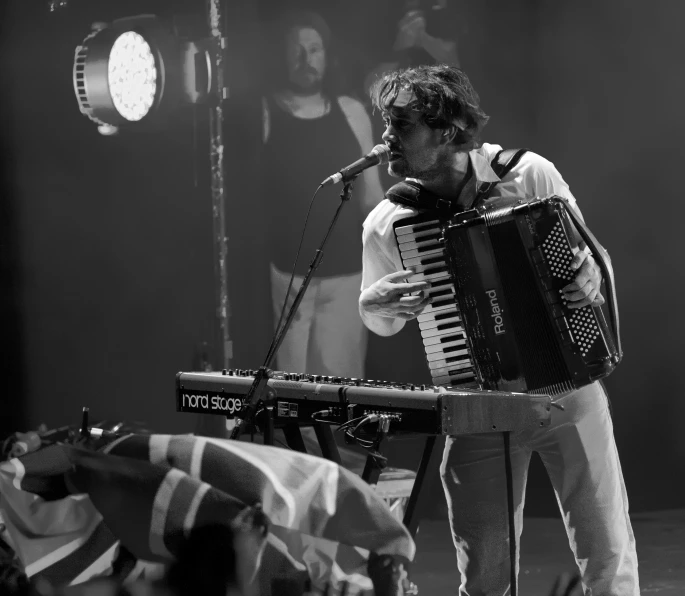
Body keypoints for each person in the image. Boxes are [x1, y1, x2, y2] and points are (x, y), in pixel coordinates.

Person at [358, 64, 639, 595]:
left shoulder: (529, 174)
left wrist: (587, 274)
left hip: (568, 389)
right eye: (386, 124)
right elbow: (382, 322)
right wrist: (372, 304)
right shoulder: (388, 222)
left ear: (445, 130)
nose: (386, 138)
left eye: (402, 125)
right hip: (475, 402)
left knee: (609, 560)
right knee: (485, 576)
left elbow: (592, 258)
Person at [262, 9, 384, 381]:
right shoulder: (264, 112)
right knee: (288, 388)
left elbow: (372, 195)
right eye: (296, 49)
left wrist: (386, 257)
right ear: (281, 56)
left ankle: (336, 443)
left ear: (327, 56)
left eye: (314, 49)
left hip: (346, 276)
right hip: (288, 275)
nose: (305, 58)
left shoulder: (351, 111)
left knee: (338, 384)